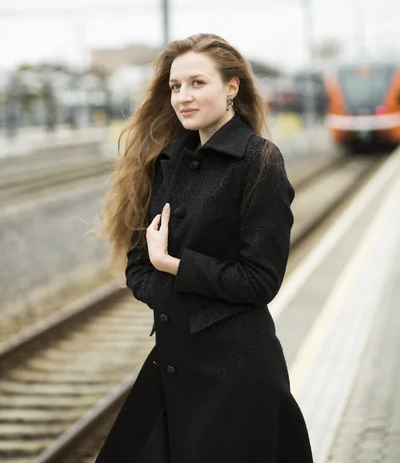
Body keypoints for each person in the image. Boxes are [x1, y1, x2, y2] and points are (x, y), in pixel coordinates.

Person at [95, 33, 314, 463]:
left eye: (198, 83)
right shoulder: (168, 162)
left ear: (232, 87)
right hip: (175, 366)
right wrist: (163, 284)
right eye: (176, 86)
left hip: (235, 376)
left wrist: (173, 266)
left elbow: (260, 281)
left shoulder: (259, 162)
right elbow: (138, 265)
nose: (182, 97)